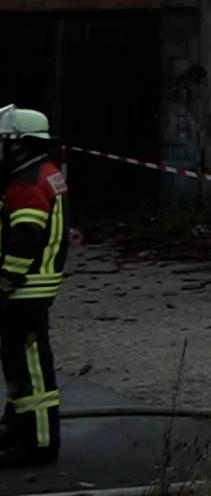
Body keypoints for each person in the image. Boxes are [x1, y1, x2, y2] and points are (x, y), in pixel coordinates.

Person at [0, 106, 64, 467]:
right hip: (33, 289)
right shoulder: (43, 173)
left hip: (24, 291)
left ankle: (38, 444)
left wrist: (4, 283)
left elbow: (24, 240)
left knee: (32, 371)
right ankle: (18, 428)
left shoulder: (28, 183)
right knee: (21, 365)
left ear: (18, 145)